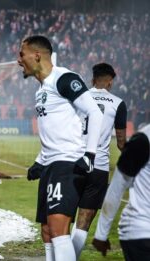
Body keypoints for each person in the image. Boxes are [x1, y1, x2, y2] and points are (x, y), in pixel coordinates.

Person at [19, 35, 103, 261]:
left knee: (58, 230)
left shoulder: (64, 78)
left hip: (67, 164)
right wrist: (39, 160)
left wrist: (89, 155)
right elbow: (54, 131)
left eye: (21, 54)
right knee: (46, 232)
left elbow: (94, 112)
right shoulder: (41, 90)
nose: (19, 60)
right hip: (50, 164)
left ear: (36, 55)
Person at [70, 63, 127, 259]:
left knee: (64, 216)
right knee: (84, 221)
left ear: (92, 79)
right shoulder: (117, 103)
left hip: (73, 161)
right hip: (98, 167)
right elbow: (121, 143)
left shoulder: (78, 97)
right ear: (110, 82)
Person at [92, 124, 150, 260]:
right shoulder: (143, 140)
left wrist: (101, 235)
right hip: (142, 233)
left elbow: (116, 188)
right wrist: (101, 234)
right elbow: (117, 188)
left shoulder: (144, 138)